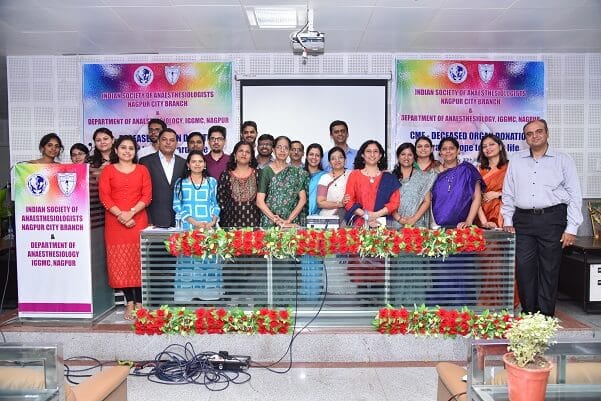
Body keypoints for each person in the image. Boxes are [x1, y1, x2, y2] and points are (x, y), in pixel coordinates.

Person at [502, 118, 583, 316]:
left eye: (539, 131)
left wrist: (572, 228)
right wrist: (507, 219)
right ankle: (529, 313)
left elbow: (575, 195)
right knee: (524, 268)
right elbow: (508, 192)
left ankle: (545, 316)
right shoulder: (516, 159)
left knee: (549, 268)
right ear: (525, 138)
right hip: (523, 221)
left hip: (552, 219)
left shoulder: (563, 159)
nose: (534, 136)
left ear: (547, 133)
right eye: (529, 134)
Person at [98, 135, 151, 320]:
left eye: (131, 148)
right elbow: (104, 196)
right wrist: (121, 215)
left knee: (138, 263)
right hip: (115, 223)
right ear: (116, 150)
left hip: (138, 220)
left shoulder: (142, 170)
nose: (127, 151)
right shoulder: (108, 171)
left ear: (135, 151)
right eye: (123, 147)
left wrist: (131, 213)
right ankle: (130, 302)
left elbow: (147, 195)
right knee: (122, 263)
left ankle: (140, 303)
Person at [172, 150, 221, 302]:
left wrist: (212, 221)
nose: (197, 164)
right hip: (188, 227)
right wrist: (194, 222)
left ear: (205, 164)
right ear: (188, 164)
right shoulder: (180, 183)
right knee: (188, 261)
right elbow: (177, 205)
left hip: (208, 228)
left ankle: (209, 295)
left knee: (208, 260)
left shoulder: (212, 182)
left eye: (200, 161)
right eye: (194, 161)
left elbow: (215, 204)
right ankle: (187, 295)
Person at [344, 140, 400, 227]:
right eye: (368, 151)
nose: (372, 154)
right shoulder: (354, 175)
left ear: (380, 155)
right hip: (359, 223)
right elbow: (348, 202)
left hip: (383, 223)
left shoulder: (389, 178)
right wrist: (365, 215)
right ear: (362, 155)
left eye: (375, 151)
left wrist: (376, 215)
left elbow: (394, 203)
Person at [256, 135, 309, 227]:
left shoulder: (296, 172)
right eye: (279, 147)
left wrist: (288, 220)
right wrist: (275, 220)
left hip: (291, 222)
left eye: (286, 148)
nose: (282, 150)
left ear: (289, 151)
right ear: (273, 150)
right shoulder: (266, 171)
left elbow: (303, 199)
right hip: (270, 220)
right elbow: (259, 201)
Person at [139, 128, 187, 228]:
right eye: (164, 139)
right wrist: (148, 218)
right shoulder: (145, 162)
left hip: (179, 219)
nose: (168, 143)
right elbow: (140, 192)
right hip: (153, 219)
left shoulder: (183, 163)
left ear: (176, 143)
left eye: (172, 140)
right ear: (158, 141)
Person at [431, 137, 483, 228]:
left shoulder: (467, 169)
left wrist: (469, 221)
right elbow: (428, 199)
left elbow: (477, 197)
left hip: (462, 227)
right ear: (440, 153)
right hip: (437, 226)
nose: (448, 151)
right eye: (444, 149)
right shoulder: (434, 173)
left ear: (458, 150)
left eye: (451, 148)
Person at [391, 143, 437, 228]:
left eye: (410, 155)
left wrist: (413, 219)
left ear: (414, 157)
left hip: (418, 223)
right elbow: (388, 202)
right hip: (395, 223)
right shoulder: (391, 177)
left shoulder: (423, 177)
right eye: (403, 154)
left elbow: (427, 201)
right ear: (398, 157)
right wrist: (399, 219)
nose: (406, 157)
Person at [217, 141, 260, 228]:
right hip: (230, 223)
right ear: (234, 155)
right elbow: (220, 200)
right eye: (241, 151)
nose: (244, 154)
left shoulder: (258, 174)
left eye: (247, 152)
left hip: (254, 223)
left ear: (251, 157)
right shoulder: (226, 175)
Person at [476, 134, 509, 229]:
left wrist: (498, 194)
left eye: (491, 144)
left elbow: (520, 193)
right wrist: (484, 222)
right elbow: (475, 197)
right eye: (484, 146)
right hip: (482, 215)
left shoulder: (510, 167)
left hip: (505, 214)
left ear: (500, 147)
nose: (488, 148)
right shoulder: (478, 169)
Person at [317, 146, 350, 222]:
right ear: (329, 163)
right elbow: (320, 203)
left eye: (340, 157)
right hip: (328, 218)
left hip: (348, 217)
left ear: (345, 160)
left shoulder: (352, 175)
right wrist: (340, 204)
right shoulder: (324, 178)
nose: (337, 160)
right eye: (333, 158)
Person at [304, 143, 326, 215]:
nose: (314, 157)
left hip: (319, 216)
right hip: (299, 215)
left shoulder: (325, 176)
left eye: (317, 155)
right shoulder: (299, 174)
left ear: (321, 158)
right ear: (306, 156)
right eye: (311, 154)